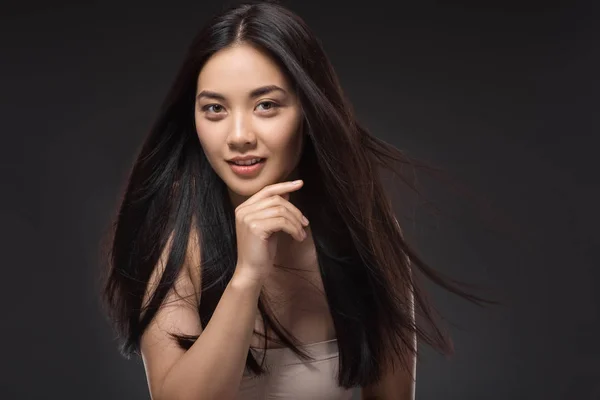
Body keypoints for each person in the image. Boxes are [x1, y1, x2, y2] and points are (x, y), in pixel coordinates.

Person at [101, 1, 489, 399]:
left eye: (266, 105)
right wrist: (247, 277)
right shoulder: (174, 231)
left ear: (307, 107)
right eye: (214, 109)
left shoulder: (360, 224)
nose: (238, 136)